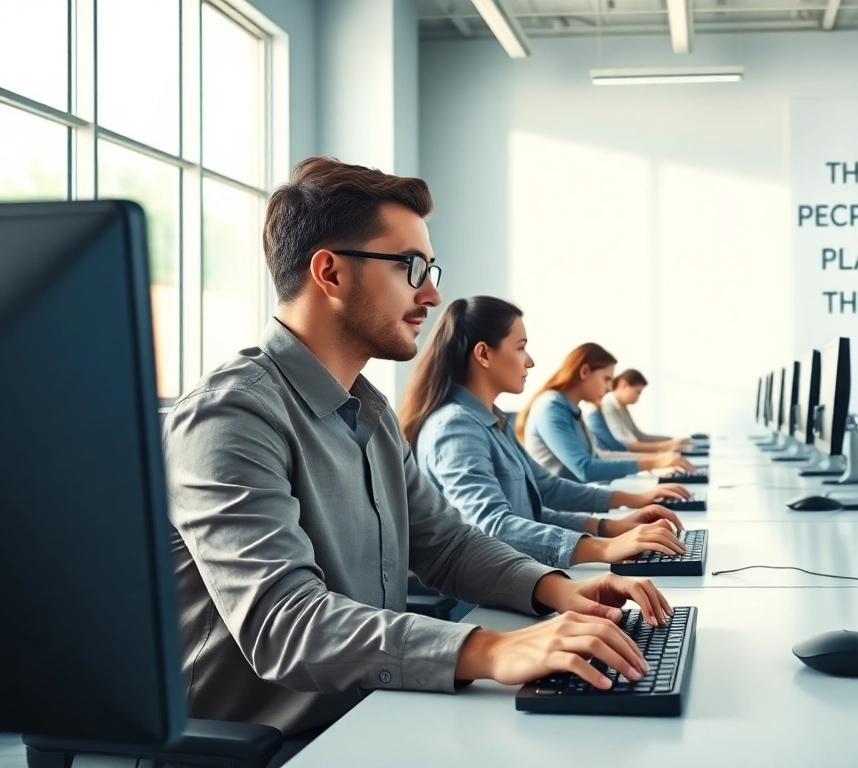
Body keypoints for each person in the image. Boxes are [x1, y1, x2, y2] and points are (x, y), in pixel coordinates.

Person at [163, 157, 672, 747]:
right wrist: (493, 649)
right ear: (329, 272)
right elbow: (286, 624)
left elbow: (446, 545)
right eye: (411, 267)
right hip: (275, 746)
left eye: (429, 269)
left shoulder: (370, 412)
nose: (431, 293)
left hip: (374, 711)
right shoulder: (230, 417)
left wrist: (557, 589)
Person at [400, 296, 692, 569]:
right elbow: (493, 527)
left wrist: (610, 527)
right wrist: (604, 548)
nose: (530, 361)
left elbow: (543, 495)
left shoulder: (494, 420)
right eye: (520, 347)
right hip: (487, 595)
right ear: (484, 354)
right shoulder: (455, 427)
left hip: (522, 572)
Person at [516, 344, 696, 483]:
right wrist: (656, 461)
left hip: (578, 502)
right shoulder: (551, 408)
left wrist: (660, 458)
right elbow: (585, 469)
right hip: (558, 512)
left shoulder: (572, 408)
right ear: (585, 372)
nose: (610, 388)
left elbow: (599, 456)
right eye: (606, 379)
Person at [586, 368, 688, 451]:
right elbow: (624, 443)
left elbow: (637, 435)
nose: (638, 398)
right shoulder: (607, 404)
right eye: (637, 392)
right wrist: (668, 445)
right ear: (623, 385)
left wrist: (671, 440)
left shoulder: (622, 406)